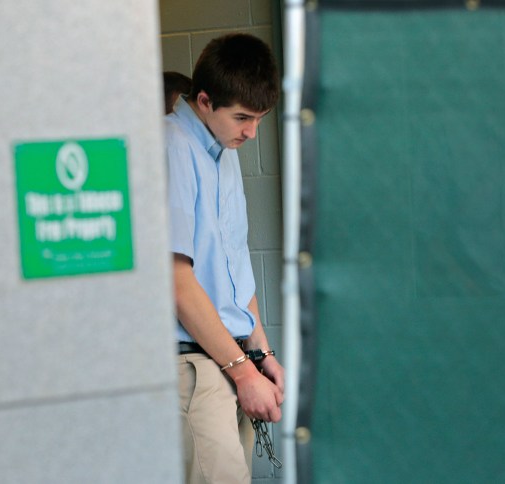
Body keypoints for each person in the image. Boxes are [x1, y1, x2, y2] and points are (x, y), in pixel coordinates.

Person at [165, 33, 285, 484]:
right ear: (203, 100)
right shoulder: (174, 145)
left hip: (230, 360)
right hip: (193, 363)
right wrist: (242, 372)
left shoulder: (223, 147)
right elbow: (176, 282)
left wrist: (262, 352)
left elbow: (235, 269)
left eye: (259, 119)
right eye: (242, 117)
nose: (251, 132)